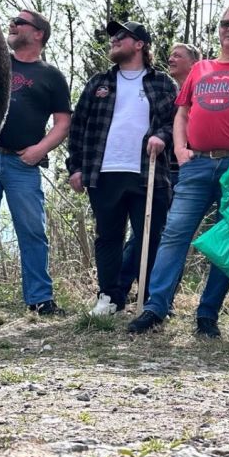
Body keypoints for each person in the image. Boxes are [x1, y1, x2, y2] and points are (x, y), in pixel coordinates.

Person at [127, 1, 229, 338]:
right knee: (175, 234)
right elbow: (182, 113)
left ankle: (207, 315)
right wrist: (180, 149)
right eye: (225, 23)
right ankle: (156, 307)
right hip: (196, 164)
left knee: (227, 242)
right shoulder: (200, 70)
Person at [0, 10, 71, 317]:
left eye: (20, 22)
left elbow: (63, 123)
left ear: (38, 34)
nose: (13, 24)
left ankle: (39, 298)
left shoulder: (52, 76)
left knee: (32, 231)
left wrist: (39, 150)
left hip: (23, 165)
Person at [67, 20, 177, 316]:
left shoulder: (163, 83)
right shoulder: (98, 83)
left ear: (140, 44)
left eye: (121, 36)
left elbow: (176, 122)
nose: (113, 40)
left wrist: (162, 137)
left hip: (148, 173)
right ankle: (109, 298)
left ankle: (152, 300)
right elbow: (78, 127)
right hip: (103, 171)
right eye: (113, 36)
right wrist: (75, 166)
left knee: (150, 236)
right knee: (108, 237)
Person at [116, 42, 201, 300]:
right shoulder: (167, 90)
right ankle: (127, 290)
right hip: (159, 170)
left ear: (194, 62)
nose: (171, 58)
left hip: (187, 172)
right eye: (171, 54)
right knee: (146, 231)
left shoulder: (201, 92)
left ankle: (156, 295)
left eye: (179, 55)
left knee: (171, 234)